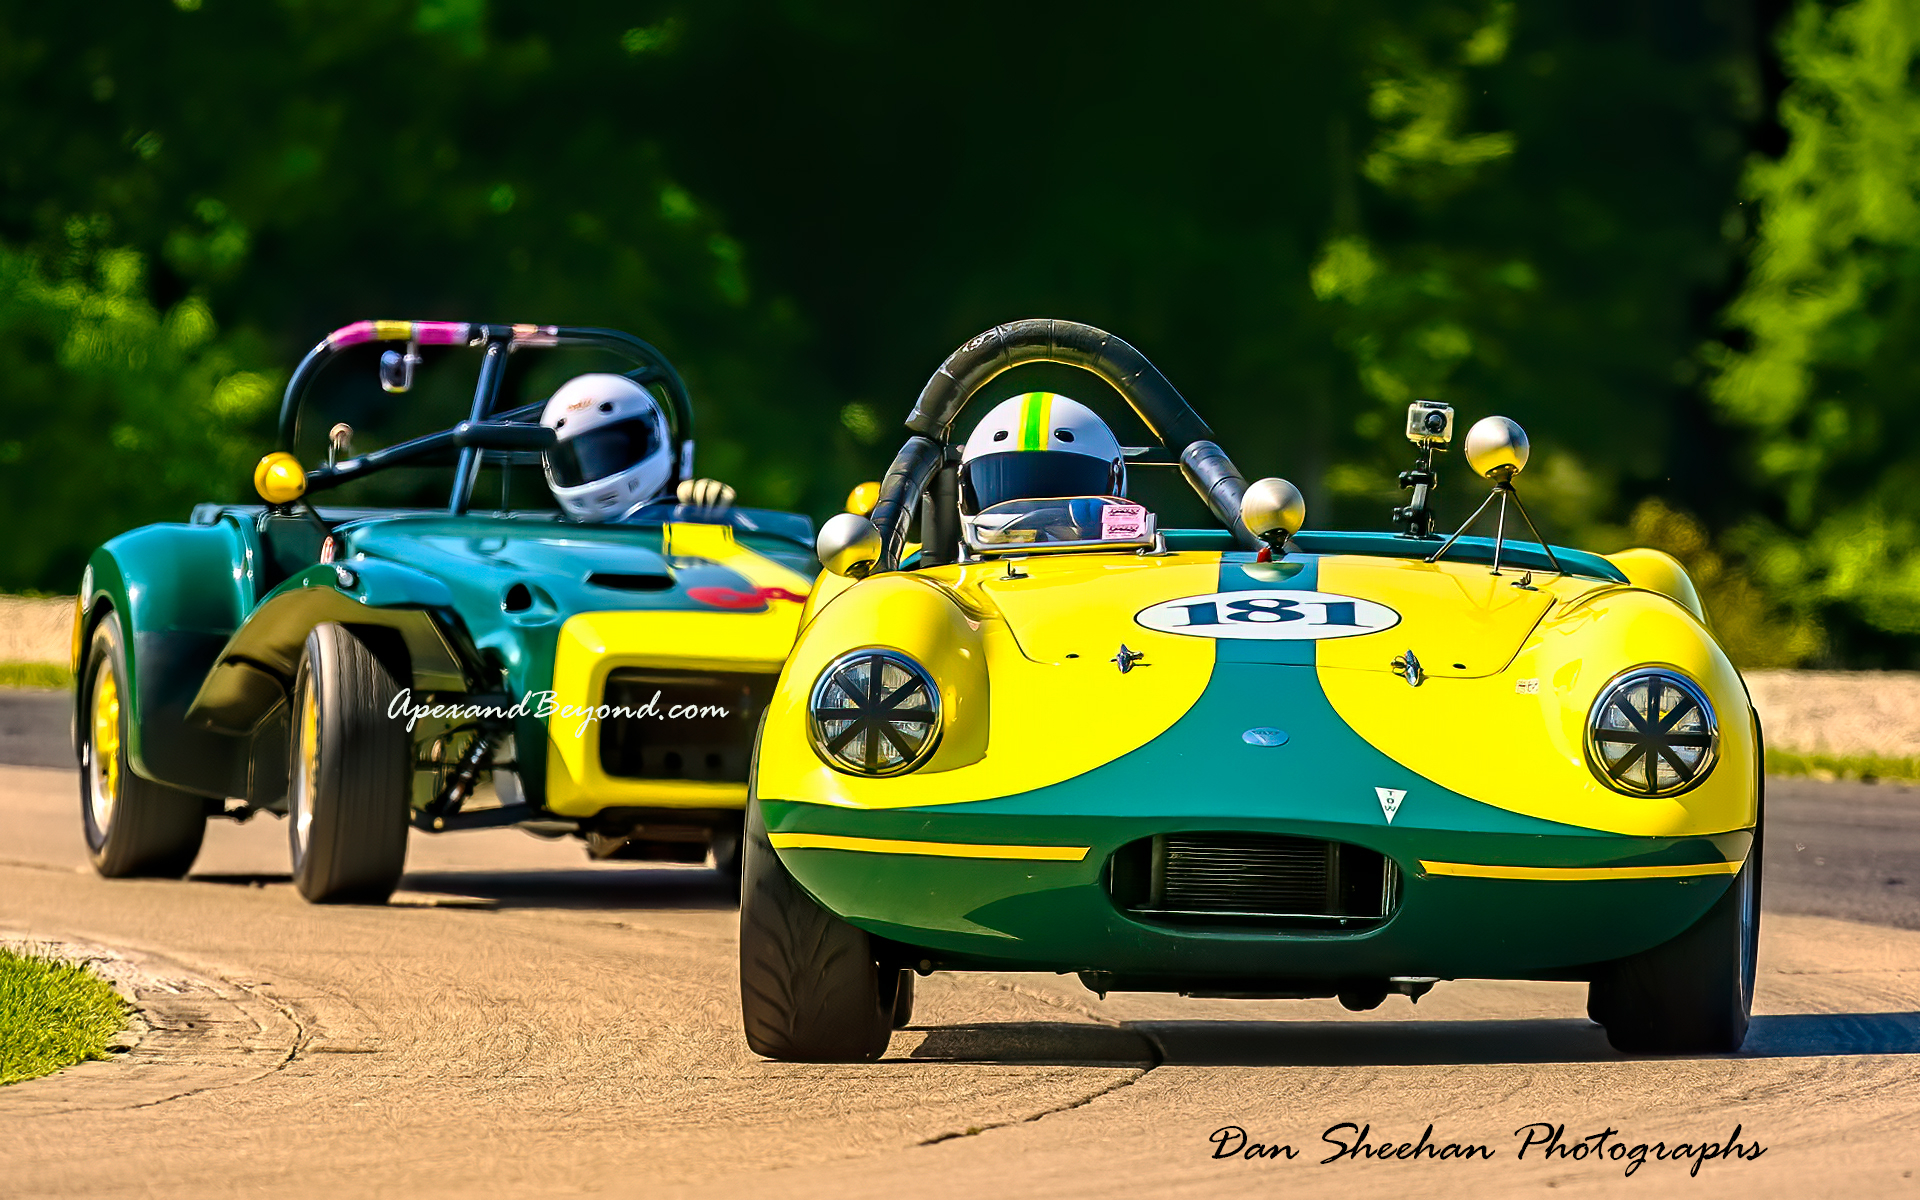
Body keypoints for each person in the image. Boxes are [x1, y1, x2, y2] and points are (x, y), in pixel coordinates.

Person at [538, 373, 733, 521]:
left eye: (612, 450)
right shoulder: (549, 543)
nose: (596, 463)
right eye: (580, 459)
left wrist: (710, 510)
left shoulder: (687, 516)